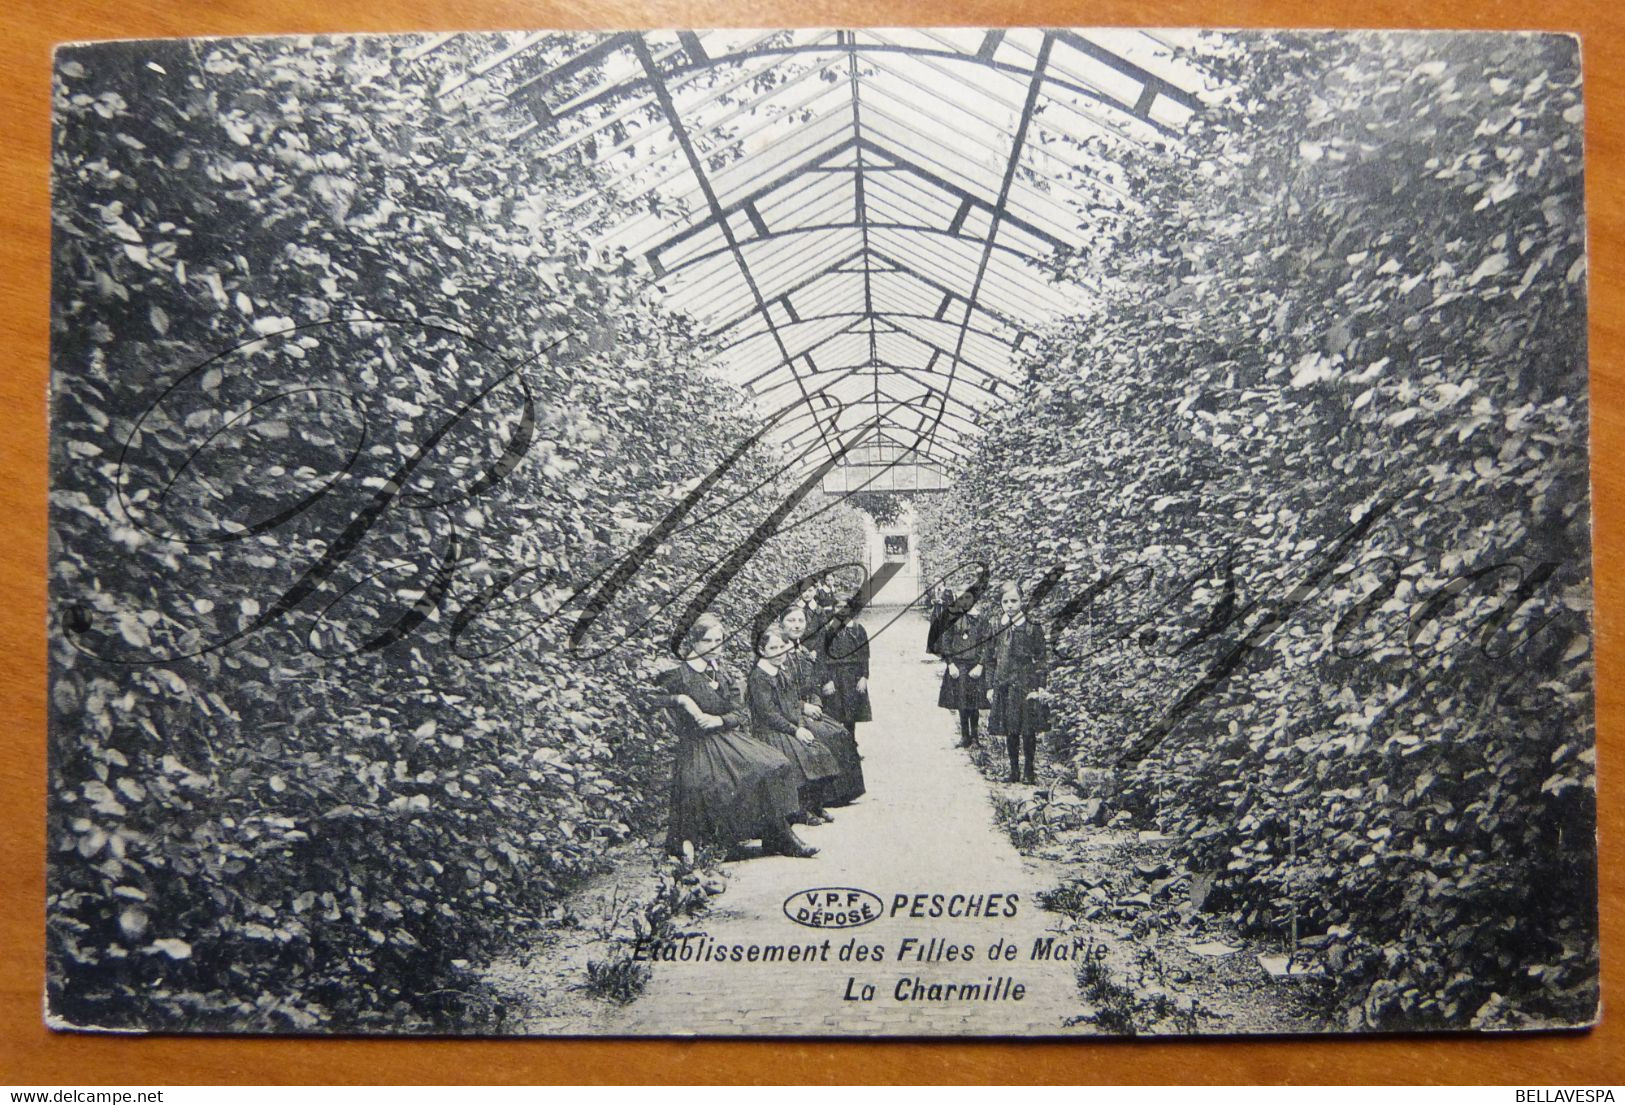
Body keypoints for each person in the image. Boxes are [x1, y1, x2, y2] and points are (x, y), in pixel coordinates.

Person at [654, 615, 816, 859]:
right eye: (707, 641)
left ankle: (778, 836)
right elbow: (648, 699)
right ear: (693, 642)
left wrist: (720, 720)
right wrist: (681, 700)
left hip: (727, 737)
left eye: (719, 641)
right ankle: (762, 838)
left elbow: (740, 712)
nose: (715, 647)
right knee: (743, 775)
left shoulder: (721, 672)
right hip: (698, 746)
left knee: (776, 764)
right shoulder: (680, 675)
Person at [747, 622, 840, 824]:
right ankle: (799, 810)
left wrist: (801, 725)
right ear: (761, 650)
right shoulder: (759, 678)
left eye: (782, 647)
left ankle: (815, 804)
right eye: (773, 648)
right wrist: (795, 730)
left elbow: (792, 704)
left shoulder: (781, 670)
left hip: (790, 726)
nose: (779, 653)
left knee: (819, 750)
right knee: (799, 756)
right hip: (770, 731)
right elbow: (768, 714)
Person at [781, 604, 865, 806]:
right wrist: (804, 707)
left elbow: (813, 683)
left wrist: (816, 702)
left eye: (800, 621)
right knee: (827, 735)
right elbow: (782, 695)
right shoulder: (778, 651)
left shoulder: (801, 650)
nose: (797, 625)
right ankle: (827, 798)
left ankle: (843, 794)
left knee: (841, 732)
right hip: (790, 713)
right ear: (781, 624)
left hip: (807, 707)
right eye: (791, 621)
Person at [985, 581, 1048, 784]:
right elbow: (989, 658)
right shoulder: (996, 627)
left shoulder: (1032, 628)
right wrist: (989, 686)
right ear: (1001, 604)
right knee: (1010, 729)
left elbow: (1041, 658)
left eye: (1014, 600)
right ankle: (1013, 771)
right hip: (1004, 684)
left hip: (1025, 685)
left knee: (1028, 730)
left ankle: (1029, 771)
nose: (1010, 605)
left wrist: (1039, 686)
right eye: (1006, 601)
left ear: (1022, 601)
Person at [936, 592, 989, 749]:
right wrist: (950, 664)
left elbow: (986, 643)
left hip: (974, 665)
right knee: (961, 702)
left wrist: (980, 664)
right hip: (958, 666)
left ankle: (975, 737)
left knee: (974, 703)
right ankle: (964, 736)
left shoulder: (981, 618)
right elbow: (945, 642)